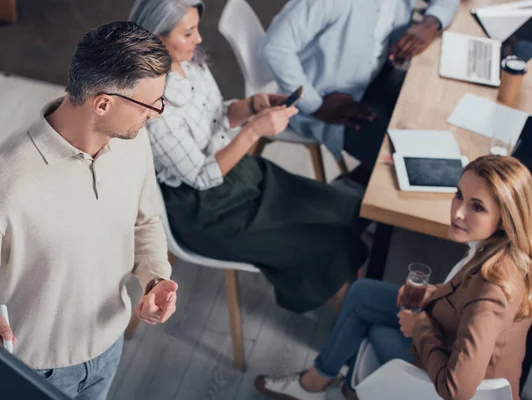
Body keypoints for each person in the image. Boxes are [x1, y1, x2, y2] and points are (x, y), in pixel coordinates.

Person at [0, 22, 178, 400]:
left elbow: (145, 220)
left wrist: (154, 278)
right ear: (103, 103)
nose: (157, 114)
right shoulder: (7, 182)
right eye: (150, 104)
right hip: (36, 370)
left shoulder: (134, 141)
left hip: (109, 346)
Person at [128, 0, 370, 316]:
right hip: (206, 211)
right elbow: (202, 177)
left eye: (196, 29)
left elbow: (216, 115)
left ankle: (361, 297)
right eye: (188, 33)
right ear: (155, 38)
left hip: (237, 174)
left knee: (337, 207)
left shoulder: (189, 64)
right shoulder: (154, 106)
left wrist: (253, 106)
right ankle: (353, 324)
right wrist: (253, 132)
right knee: (323, 245)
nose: (198, 39)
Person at [255, 155, 532, 400]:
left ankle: (334, 384)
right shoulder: (495, 250)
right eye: (458, 194)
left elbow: (457, 390)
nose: (458, 212)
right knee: (362, 292)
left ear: (505, 219)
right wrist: (434, 293)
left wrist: (420, 326)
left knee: (374, 330)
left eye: (477, 207)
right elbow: (465, 294)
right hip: (449, 333)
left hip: (464, 384)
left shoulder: (493, 290)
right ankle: (325, 381)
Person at [262, 0, 459, 181]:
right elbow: (275, 48)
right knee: (418, 172)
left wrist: (431, 22)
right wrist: (316, 105)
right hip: (328, 105)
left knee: (443, 123)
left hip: (377, 78)